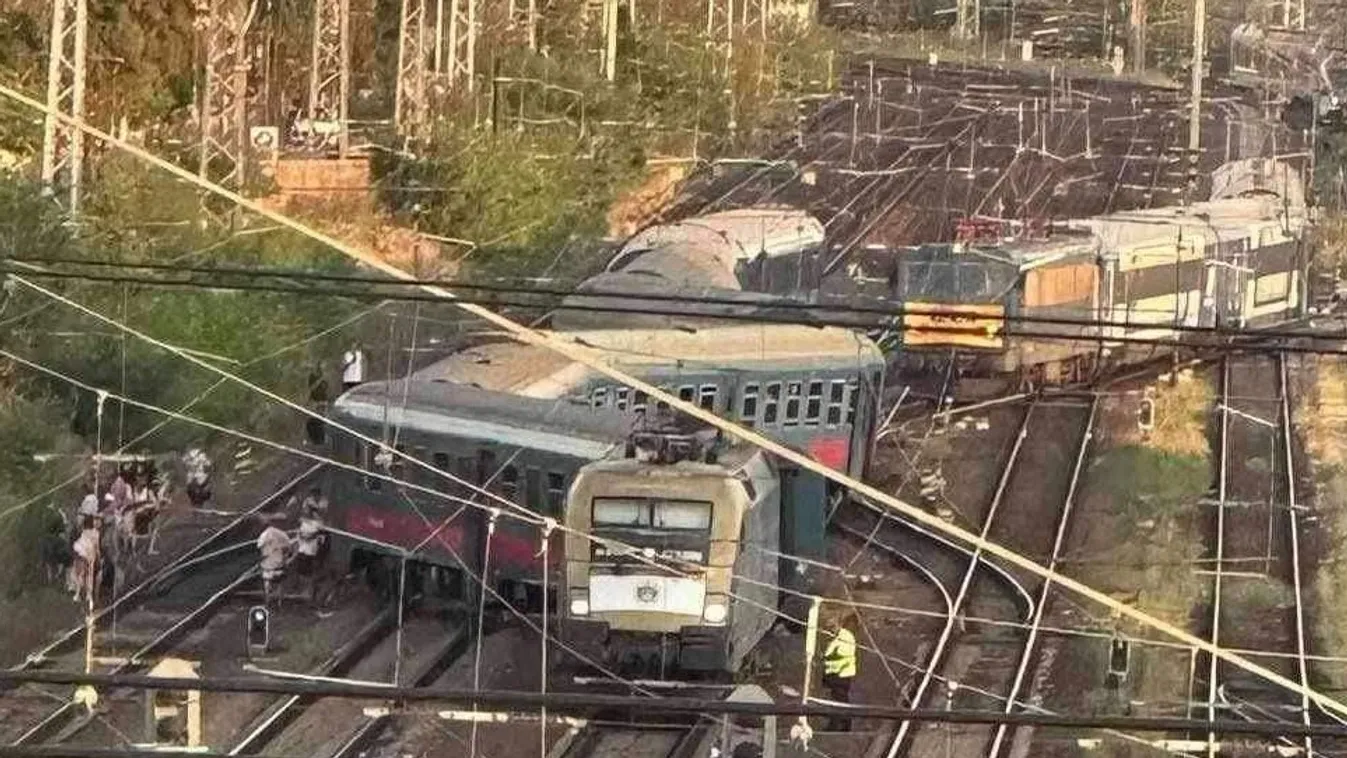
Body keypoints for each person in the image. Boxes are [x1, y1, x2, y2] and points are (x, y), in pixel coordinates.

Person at [820, 612, 858, 732]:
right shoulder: (833, 638)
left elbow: (843, 653)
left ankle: (844, 725)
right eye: (828, 627)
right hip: (833, 674)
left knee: (841, 701)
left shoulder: (846, 636)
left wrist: (828, 655)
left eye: (832, 627)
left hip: (842, 674)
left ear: (838, 625)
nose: (830, 630)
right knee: (835, 700)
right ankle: (835, 724)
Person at [256, 520, 292, 605]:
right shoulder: (283, 534)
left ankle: (267, 601)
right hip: (280, 564)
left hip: (268, 565)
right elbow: (289, 548)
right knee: (280, 583)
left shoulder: (264, 535)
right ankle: (280, 601)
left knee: (267, 583)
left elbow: (259, 547)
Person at [294, 504, 325, 601]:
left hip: (310, 550)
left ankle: (308, 590)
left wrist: (309, 536)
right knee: (300, 569)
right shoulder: (303, 521)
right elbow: (299, 532)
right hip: (301, 548)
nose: (305, 511)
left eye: (307, 510)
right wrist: (301, 536)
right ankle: (300, 589)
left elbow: (319, 533)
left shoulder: (318, 523)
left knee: (307, 570)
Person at [307, 365, 330, 445]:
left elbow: (325, 389)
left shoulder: (324, 379)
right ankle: (314, 439)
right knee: (314, 419)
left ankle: (323, 438)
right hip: (315, 400)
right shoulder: (312, 377)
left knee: (323, 420)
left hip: (323, 400)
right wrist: (320, 379)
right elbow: (312, 388)